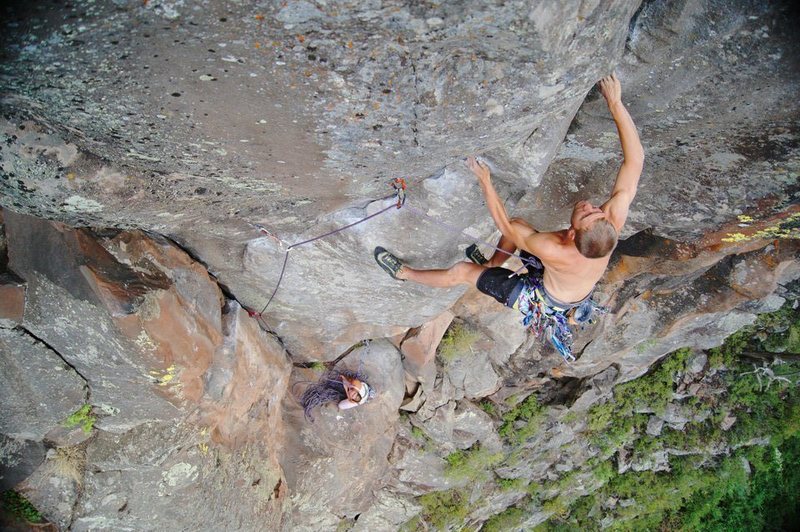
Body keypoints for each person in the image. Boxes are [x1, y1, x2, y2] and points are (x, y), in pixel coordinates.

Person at [374, 73, 643, 362]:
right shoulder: (609, 224)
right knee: (521, 228)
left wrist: (485, 181)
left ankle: (405, 275)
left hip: (541, 297)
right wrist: (615, 102)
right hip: (569, 285)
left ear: (573, 234)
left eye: (586, 214)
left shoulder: (554, 249)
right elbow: (636, 159)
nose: (590, 205)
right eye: (596, 211)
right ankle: (492, 264)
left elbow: (501, 224)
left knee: (464, 272)